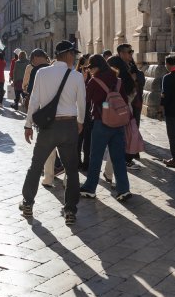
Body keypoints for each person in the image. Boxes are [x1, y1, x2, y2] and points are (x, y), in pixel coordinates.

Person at [20, 40, 86, 225]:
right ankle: (70, 210)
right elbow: (82, 103)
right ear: (68, 55)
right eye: (74, 54)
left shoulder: (42, 72)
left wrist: (28, 124)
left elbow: (34, 100)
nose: (75, 58)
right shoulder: (76, 76)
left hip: (48, 127)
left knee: (36, 166)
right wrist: (80, 122)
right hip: (69, 126)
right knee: (72, 169)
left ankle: (27, 203)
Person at [79, 54, 133, 202]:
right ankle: (123, 189)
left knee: (95, 157)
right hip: (118, 123)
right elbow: (124, 99)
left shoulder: (94, 81)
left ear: (96, 67)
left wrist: (85, 82)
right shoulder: (117, 80)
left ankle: (90, 188)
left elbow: (85, 99)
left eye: (91, 67)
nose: (90, 70)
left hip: (101, 123)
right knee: (118, 158)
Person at [76, 54, 93, 169]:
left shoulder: (92, 79)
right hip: (77, 113)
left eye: (89, 67)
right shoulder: (75, 78)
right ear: (80, 66)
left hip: (89, 113)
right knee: (78, 139)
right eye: (84, 67)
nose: (87, 69)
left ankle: (87, 162)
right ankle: (77, 162)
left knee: (88, 139)